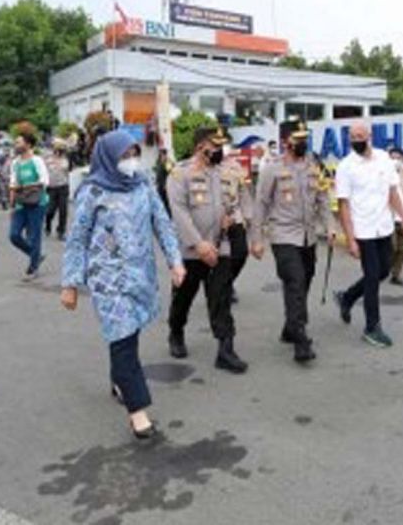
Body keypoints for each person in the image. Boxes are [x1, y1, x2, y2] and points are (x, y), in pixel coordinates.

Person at [60, 130, 186, 440]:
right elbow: (76, 240)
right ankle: (137, 411)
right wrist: (70, 283)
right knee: (122, 337)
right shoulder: (92, 192)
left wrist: (175, 260)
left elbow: (162, 223)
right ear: (108, 157)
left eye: (134, 154)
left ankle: (120, 380)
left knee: (129, 334)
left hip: (140, 274)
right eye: (124, 156)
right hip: (108, 279)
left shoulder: (143, 184)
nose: (131, 161)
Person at [251, 119, 337, 363]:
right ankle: (301, 340)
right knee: (295, 281)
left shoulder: (314, 166)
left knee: (304, 281)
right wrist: (257, 239)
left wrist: (330, 226)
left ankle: (291, 326)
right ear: (285, 141)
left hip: (308, 236)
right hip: (283, 235)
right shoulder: (272, 168)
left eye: (304, 138)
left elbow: (322, 199)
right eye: (297, 139)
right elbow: (261, 204)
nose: (303, 143)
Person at [166, 127, 250, 373]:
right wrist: (198, 244)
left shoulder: (224, 173)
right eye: (215, 146)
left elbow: (233, 201)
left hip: (219, 245)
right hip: (190, 250)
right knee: (183, 296)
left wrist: (232, 218)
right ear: (200, 147)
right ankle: (176, 331)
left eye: (221, 146)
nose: (219, 151)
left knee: (221, 298)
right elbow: (179, 213)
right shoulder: (180, 174)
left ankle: (226, 348)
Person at [332, 122, 403, 348]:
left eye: (360, 136)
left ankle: (347, 297)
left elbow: (392, 191)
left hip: (383, 227)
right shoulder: (345, 167)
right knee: (372, 277)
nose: (356, 140)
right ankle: (372, 327)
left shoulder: (383, 159)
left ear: (370, 136)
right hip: (363, 230)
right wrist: (350, 239)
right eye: (352, 137)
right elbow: (343, 205)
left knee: (383, 271)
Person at [8, 133, 49, 279]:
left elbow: (44, 181)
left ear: (28, 145)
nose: (16, 144)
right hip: (21, 203)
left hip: (37, 203)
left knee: (34, 235)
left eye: (19, 142)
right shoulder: (15, 163)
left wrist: (25, 185)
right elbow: (13, 185)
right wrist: (11, 205)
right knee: (14, 235)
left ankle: (33, 267)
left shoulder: (37, 160)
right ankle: (36, 255)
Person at [222, 140, 254, 305]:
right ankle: (221, 286)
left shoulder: (235, 167)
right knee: (221, 258)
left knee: (241, 254)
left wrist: (249, 218)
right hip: (214, 222)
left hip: (235, 218)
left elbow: (244, 193)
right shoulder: (203, 168)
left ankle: (226, 282)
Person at [388, 146, 403, 287]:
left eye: (398, 158)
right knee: (392, 247)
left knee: (402, 249)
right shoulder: (383, 175)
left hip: (402, 218)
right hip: (389, 218)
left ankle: (396, 275)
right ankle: (382, 269)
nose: (396, 161)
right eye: (393, 157)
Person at [44, 139, 72, 240]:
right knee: (50, 210)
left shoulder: (66, 159)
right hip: (51, 188)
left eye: (61, 149)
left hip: (63, 187)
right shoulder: (47, 159)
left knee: (63, 210)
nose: (59, 151)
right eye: (58, 148)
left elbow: (70, 169)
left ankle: (61, 231)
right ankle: (47, 224)